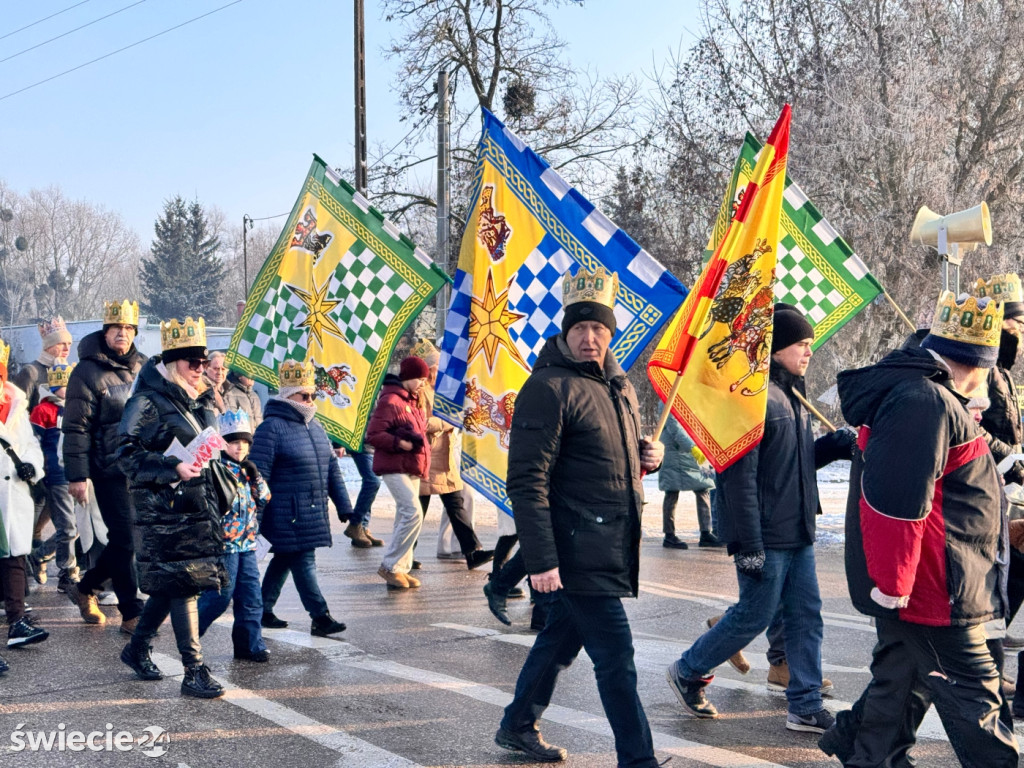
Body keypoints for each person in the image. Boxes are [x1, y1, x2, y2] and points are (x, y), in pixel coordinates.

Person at [819, 291, 1019, 767]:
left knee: (900, 681)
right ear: (978, 364)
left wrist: (1009, 464)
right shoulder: (921, 400)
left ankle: (866, 753)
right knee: (976, 699)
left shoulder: (930, 394)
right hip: (933, 588)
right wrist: (894, 586)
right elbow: (897, 507)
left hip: (934, 580)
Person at [496, 267, 664, 766]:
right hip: (574, 549)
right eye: (580, 329)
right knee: (617, 659)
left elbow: (605, 458)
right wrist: (542, 562)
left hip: (611, 543)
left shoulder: (620, 386)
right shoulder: (547, 388)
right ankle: (639, 760)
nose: (590, 338)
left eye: (599, 329)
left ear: (611, 333)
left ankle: (516, 725)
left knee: (559, 639)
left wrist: (643, 456)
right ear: (566, 332)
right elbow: (527, 482)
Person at [666, 303, 854, 734]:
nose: (809, 352)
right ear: (777, 348)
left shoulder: (794, 396)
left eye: (810, 345)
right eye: (801, 345)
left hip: (798, 529)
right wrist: (747, 543)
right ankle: (688, 669)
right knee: (754, 615)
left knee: (807, 614)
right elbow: (738, 479)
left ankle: (805, 703)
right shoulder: (751, 399)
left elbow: (797, 463)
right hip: (766, 535)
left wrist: (836, 445)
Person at [116, 316, 229, 698]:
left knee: (172, 583)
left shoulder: (198, 399)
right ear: (171, 361)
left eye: (202, 362)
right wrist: (170, 467)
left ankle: (136, 647)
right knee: (185, 585)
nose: (200, 369)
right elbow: (126, 454)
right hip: (163, 509)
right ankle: (193, 669)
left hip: (196, 506)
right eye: (191, 362)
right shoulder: (146, 400)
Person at [63, 300, 146, 630]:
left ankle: (86, 587)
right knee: (125, 538)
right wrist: (78, 475)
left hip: (140, 467)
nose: (122, 334)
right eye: (116, 329)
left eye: (128, 329)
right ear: (105, 331)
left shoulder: (144, 367)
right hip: (108, 468)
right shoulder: (85, 371)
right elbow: (75, 427)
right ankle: (131, 611)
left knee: (133, 540)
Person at [252, 359, 351, 636]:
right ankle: (320, 616)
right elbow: (258, 477)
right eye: (303, 395)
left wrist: (345, 506)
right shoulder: (271, 429)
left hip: (309, 511)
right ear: (287, 395)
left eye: (312, 395)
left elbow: (331, 469)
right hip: (285, 513)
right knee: (304, 561)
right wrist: (254, 518)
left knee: (284, 559)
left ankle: (261, 610)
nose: (310, 400)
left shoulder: (316, 427)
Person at [412, 339, 494, 570]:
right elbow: (421, 423)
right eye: (435, 369)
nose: (439, 372)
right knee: (416, 513)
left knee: (457, 506)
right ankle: (404, 556)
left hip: (443, 459)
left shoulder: (440, 390)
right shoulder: (420, 392)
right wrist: (448, 422)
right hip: (427, 459)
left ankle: (472, 552)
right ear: (426, 370)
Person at [197, 409, 271, 662]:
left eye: (244, 443)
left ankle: (250, 645)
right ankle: (191, 635)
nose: (239, 448)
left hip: (248, 544)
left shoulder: (249, 471)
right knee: (220, 596)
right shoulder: (216, 469)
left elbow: (264, 498)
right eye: (233, 442)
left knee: (251, 596)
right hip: (225, 544)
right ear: (223, 444)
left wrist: (256, 476)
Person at [0, 338, 49, 669]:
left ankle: (16, 622)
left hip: (12, 492)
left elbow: (30, 443)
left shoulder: (16, 404)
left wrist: (32, 465)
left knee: (15, 557)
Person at [366, 355, 431, 589]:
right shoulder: (391, 400)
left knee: (406, 515)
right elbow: (373, 434)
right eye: (420, 379)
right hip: (394, 465)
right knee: (412, 512)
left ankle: (401, 568)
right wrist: (399, 443)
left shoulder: (413, 401)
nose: (424, 383)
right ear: (409, 377)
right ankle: (390, 565)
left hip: (411, 465)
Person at [16, 316, 72, 583]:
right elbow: (16, 412)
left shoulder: (70, 371)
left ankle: (42, 557)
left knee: (63, 515)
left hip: (62, 457)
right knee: (34, 511)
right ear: (49, 345)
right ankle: (24, 568)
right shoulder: (32, 371)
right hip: (34, 451)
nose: (66, 349)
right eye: (62, 344)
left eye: (69, 344)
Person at [29, 362, 79, 590]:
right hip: (56, 476)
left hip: (79, 474)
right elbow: (33, 444)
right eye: (64, 385)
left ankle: (41, 554)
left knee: (77, 527)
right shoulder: (43, 411)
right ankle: (67, 572)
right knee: (68, 527)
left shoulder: (77, 407)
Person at [658, 416, 722, 549]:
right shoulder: (667, 399)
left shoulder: (692, 397)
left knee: (704, 488)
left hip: (696, 446)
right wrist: (692, 447)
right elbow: (674, 428)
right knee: (671, 491)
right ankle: (669, 535)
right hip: (676, 450)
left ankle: (706, 533)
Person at [342, 445, 384, 548]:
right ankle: (355, 524)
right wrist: (338, 444)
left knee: (370, 483)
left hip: (373, 445)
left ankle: (362, 528)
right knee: (373, 482)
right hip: (361, 445)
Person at [203, 351, 229, 415]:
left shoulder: (230, 391)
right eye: (216, 369)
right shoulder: (202, 389)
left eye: (223, 369)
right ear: (206, 368)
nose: (219, 373)